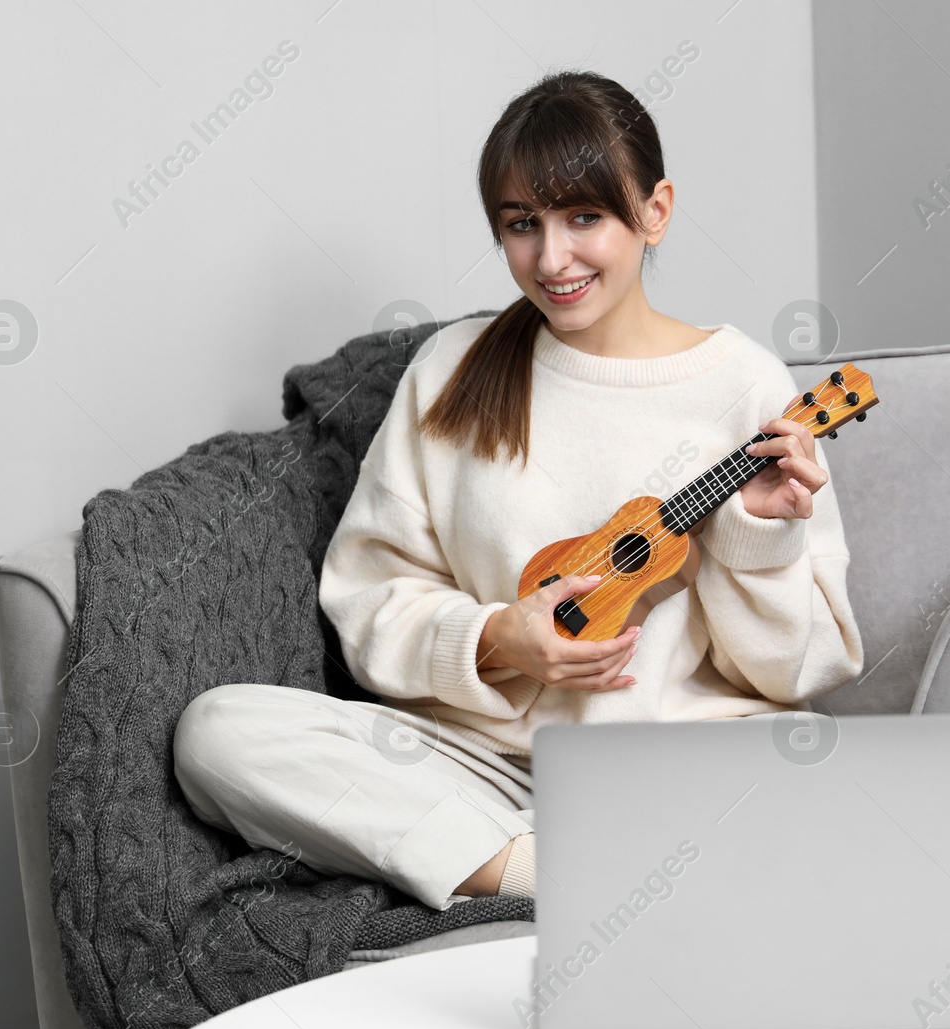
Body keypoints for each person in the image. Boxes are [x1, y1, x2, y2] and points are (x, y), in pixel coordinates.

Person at [172, 69, 864, 913]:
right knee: (218, 731)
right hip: (477, 767)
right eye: (521, 225)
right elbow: (366, 600)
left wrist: (760, 541)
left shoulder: (746, 385)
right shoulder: (452, 370)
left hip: (670, 762)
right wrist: (498, 637)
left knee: (812, 772)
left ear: (655, 211)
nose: (551, 258)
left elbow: (798, 676)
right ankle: (535, 872)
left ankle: (492, 863)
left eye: (584, 217)